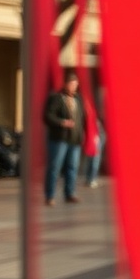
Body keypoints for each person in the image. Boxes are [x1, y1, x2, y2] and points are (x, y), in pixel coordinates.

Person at [43, 71, 85, 205]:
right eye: (72, 83)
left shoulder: (78, 99)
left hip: (74, 139)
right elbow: (47, 116)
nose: (74, 85)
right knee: (55, 167)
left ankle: (70, 193)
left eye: (76, 83)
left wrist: (82, 133)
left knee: (72, 167)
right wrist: (62, 122)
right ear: (66, 84)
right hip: (59, 139)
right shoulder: (56, 98)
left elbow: (81, 119)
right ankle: (50, 196)